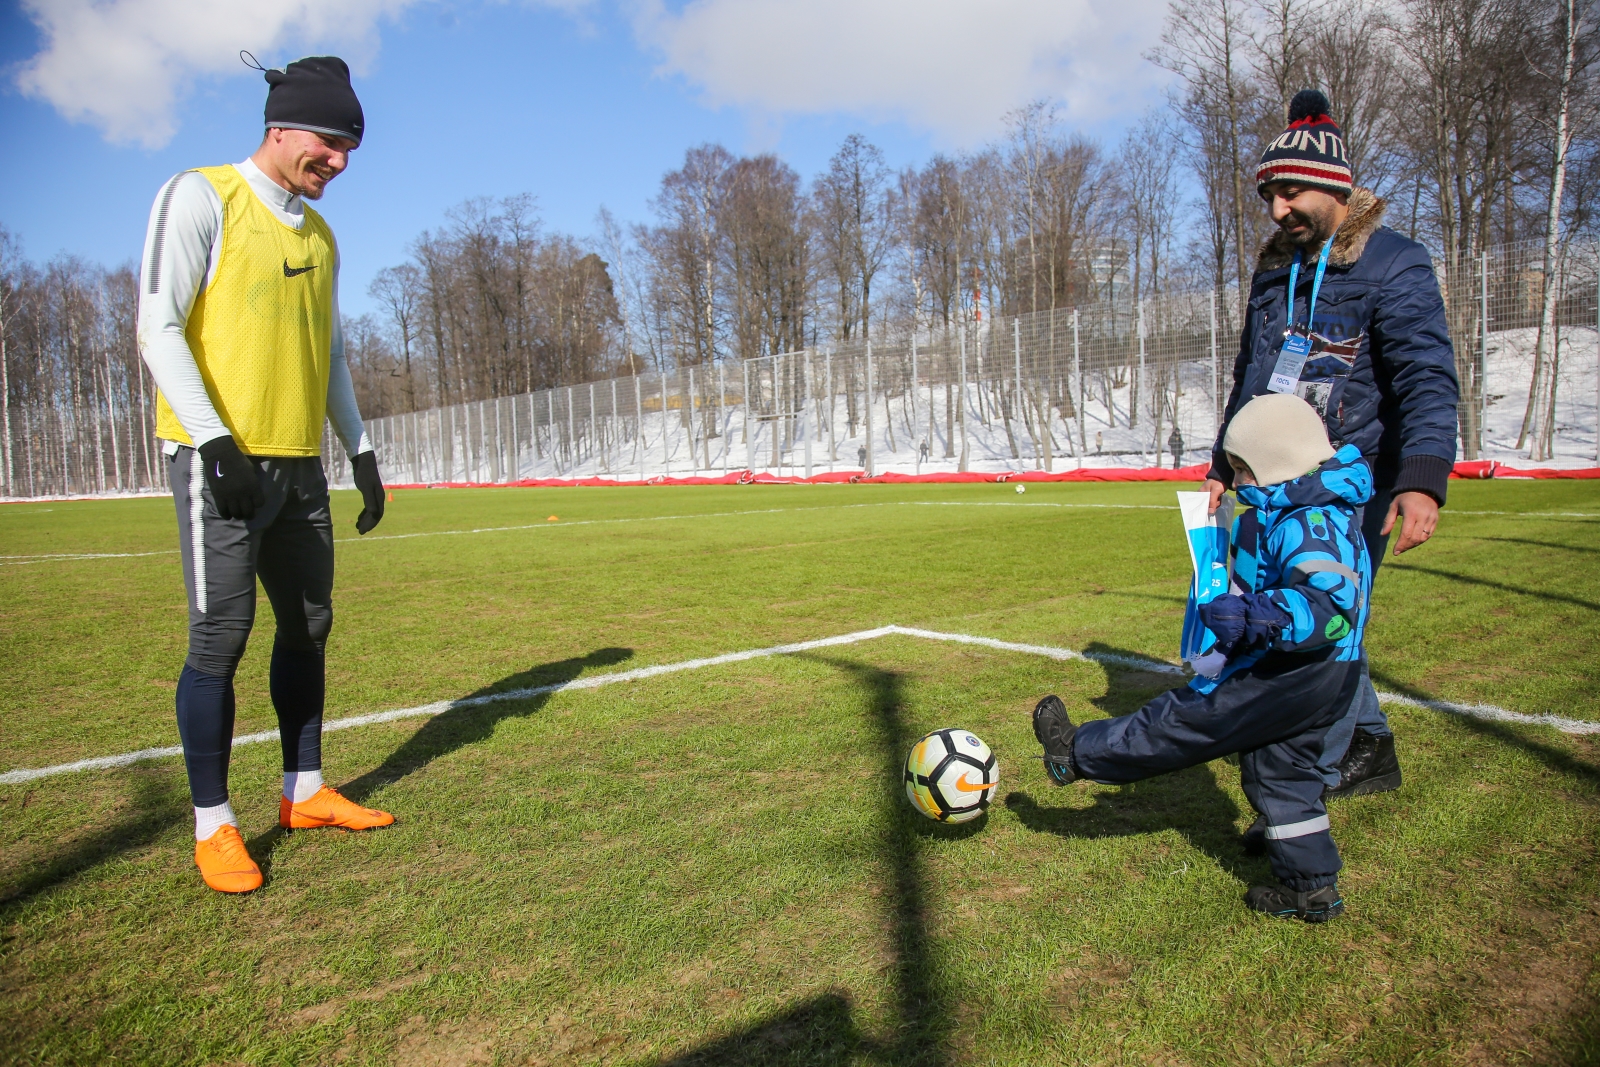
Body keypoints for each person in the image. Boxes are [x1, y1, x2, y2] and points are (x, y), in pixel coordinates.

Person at [137, 56, 393, 895]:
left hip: (299, 468)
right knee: (220, 639)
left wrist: (359, 451)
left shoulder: (320, 237)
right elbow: (158, 325)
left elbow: (333, 357)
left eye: (351, 147)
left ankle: (304, 790)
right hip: (222, 464)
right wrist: (214, 444)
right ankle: (214, 827)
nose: (340, 162)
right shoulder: (202, 195)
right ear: (281, 127)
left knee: (309, 626)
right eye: (328, 141)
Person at [1205, 90, 1458, 814]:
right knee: (1312, 616)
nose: (1278, 208)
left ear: (1337, 187)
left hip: (1356, 482)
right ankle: (1367, 742)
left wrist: (1422, 480)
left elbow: (1425, 377)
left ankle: (1301, 784)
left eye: (1290, 191)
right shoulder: (1272, 270)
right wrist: (1226, 465)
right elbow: (1251, 377)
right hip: (1274, 483)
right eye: (1269, 195)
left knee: (1322, 626)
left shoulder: (1395, 263)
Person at [1034, 394, 1372, 922]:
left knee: (1180, 721)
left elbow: (1330, 605)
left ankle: (1074, 754)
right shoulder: (1309, 506)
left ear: (1278, 461)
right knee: (1284, 774)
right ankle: (1310, 888)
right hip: (1326, 673)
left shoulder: (1309, 523)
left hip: (1286, 672)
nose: (1235, 481)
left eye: (1242, 469)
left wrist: (1257, 616)